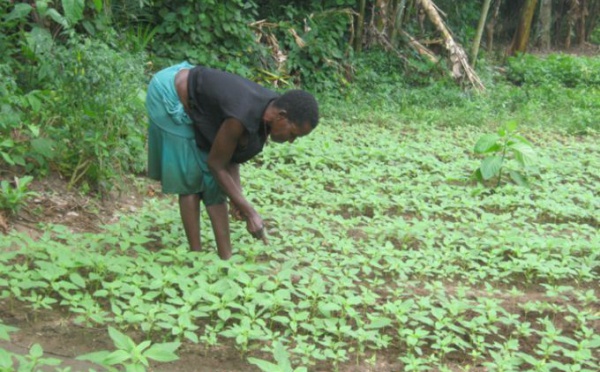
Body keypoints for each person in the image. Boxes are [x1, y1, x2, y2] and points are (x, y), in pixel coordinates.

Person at [146, 62, 319, 259]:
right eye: (293, 134)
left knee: (215, 184)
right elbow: (216, 164)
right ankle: (195, 256)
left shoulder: (268, 111)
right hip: (170, 92)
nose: (290, 140)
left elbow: (231, 157)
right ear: (282, 117)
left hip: (199, 97)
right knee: (190, 179)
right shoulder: (242, 116)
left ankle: (226, 258)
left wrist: (237, 200)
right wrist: (250, 211)